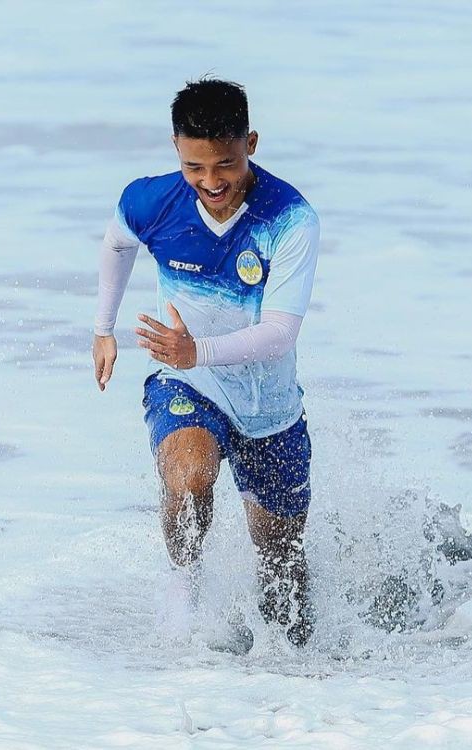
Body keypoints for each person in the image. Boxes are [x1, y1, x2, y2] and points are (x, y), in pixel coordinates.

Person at [91, 78, 320, 647]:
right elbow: (117, 244)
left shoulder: (290, 219)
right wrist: (103, 329)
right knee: (191, 478)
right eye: (196, 167)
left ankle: (300, 688)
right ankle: (182, 591)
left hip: (270, 406)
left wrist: (201, 349)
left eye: (226, 164)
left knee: (283, 578)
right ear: (176, 149)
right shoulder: (151, 201)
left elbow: (279, 333)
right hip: (188, 381)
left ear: (252, 143)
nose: (212, 182)